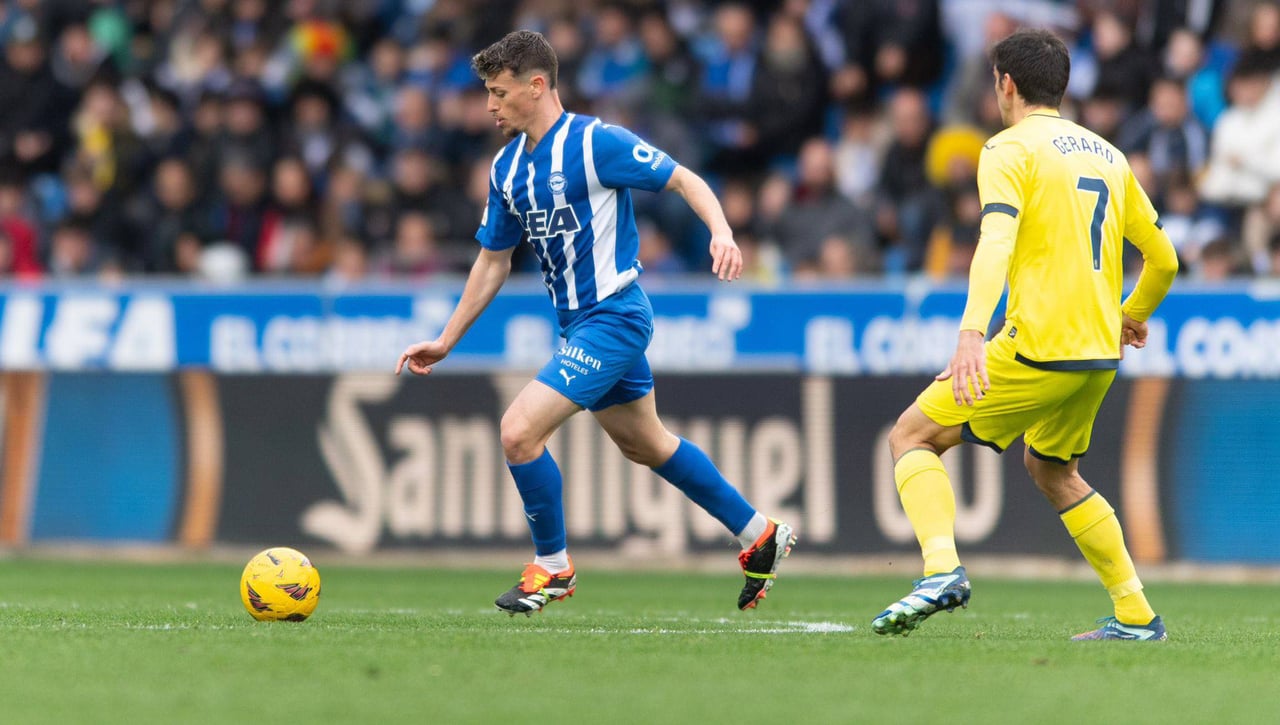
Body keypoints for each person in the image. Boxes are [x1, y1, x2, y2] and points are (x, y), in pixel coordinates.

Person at [395, 30, 796, 616]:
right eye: (487, 92)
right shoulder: (507, 168)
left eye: (499, 92)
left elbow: (684, 178)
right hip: (579, 326)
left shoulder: (594, 143)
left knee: (518, 431)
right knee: (647, 444)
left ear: (537, 86)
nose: (489, 105)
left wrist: (722, 231)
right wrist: (447, 340)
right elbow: (492, 260)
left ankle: (553, 568)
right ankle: (759, 534)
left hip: (615, 317)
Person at [872, 29, 1179, 640]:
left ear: (1005, 84)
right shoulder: (1108, 155)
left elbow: (996, 241)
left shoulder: (1007, 150)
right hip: (1097, 352)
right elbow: (1165, 258)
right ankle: (1137, 615)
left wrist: (970, 334)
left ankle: (940, 570)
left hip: (1038, 345)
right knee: (1052, 469)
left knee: (911, 436)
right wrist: (1129, 313)